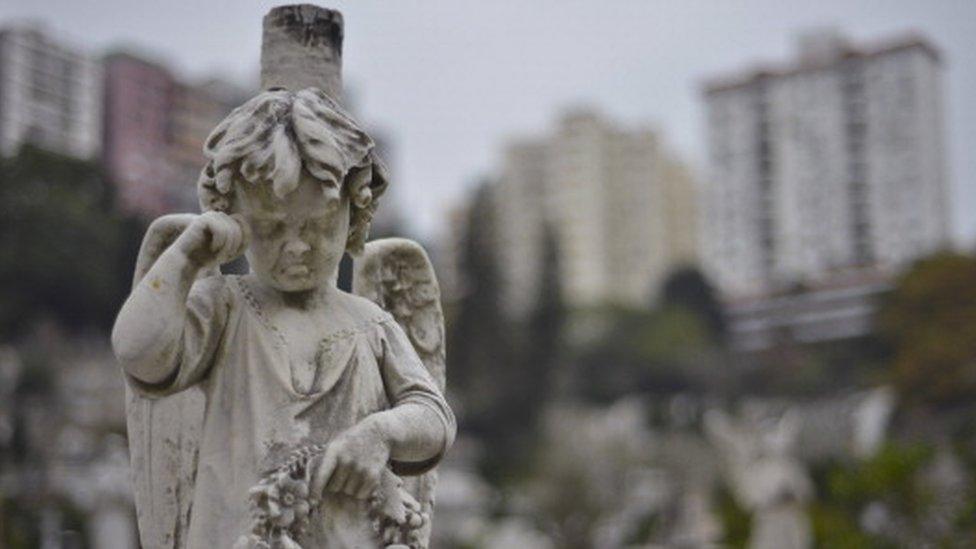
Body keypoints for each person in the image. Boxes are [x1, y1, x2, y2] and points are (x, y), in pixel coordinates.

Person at [112, 88, 455, 547]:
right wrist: (186, 255)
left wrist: (381, 432)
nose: (297, 247)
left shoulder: (370, 324)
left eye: (318, 226)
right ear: (232, 217)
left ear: (355, 214)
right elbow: (139, 353)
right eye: (271, 227)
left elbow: (434, 419)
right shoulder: (222, 307)